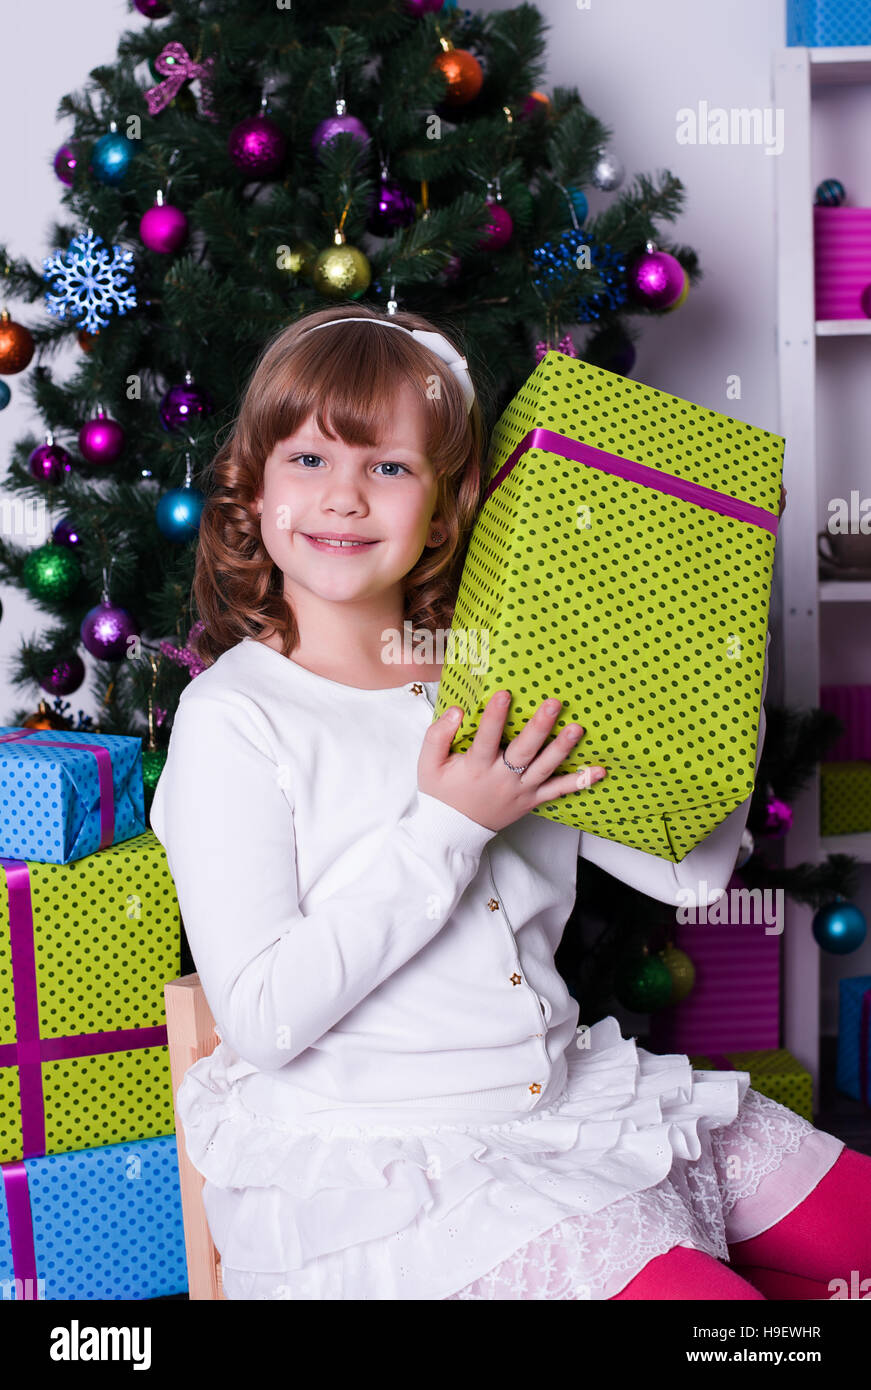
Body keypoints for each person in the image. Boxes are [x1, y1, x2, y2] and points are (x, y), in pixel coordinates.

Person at [149, 304, 870, 1301]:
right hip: (396, 1172)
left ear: (445, 508)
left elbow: (689, 873)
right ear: (254, 489)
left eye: (389, 467)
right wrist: (449, 825)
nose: (345, 496)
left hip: (572, 1105)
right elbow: (264, 1018)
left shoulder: (496, 671)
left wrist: (721, 629)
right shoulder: (235, 716)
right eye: (309, 460)